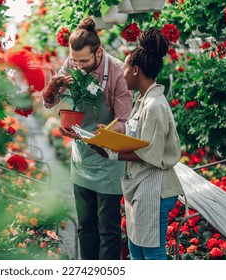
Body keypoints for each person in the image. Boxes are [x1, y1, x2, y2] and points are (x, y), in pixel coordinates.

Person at [42, 17, 132, 260]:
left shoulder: (116, 72)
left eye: (84, 60)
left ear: (98, 51)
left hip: (108, 159)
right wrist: (51, 89)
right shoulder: (72, 63)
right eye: (74, 60)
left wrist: (110, 131)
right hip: (82, 157)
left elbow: (125, 118)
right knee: (85, 225)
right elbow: (49, 101)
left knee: (109, 228)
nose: (78, 66)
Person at [94, 28, 184, 260]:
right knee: (136, 249)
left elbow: (148, 153)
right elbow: (139, 139)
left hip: (156, 189)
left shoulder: (155, 105)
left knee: (152, 253)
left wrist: (111, 153)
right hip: (143, 187)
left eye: (124, 68)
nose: (122, 74)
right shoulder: (144, 100)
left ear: (135, 70)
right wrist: (110, 136)